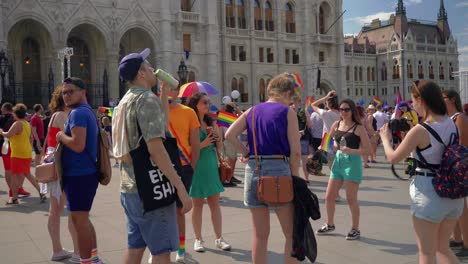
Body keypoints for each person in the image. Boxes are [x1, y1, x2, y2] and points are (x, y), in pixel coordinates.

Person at [115, 48, 192, 264]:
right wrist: (180, 188)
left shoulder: (124, 102)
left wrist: (164, 96)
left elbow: (159, 128)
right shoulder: (145, 100)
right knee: (161, 251)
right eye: (149, 67)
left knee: (135, 247)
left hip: (129, 187)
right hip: (151, 189)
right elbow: (156, 148)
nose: (153, 70)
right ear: (141, 73)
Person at [380, 80, 463, 264]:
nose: (411, 105)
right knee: (442, 248)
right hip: (453, 195)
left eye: (413, 101)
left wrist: (385, 139)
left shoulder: (420, 130)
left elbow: (393, 157)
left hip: (429, 194)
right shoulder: (452, 123)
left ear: (422, 100)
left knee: (426, 253)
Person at [226, 72, 301, 264]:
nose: (291, 102)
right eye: (291, 97)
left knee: (260, 234)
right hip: (279, 172)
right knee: (291, 234)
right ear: (285, 93)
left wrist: (246, 152)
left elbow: (229, 135)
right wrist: (295, 179)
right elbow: (296, 152)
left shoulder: (251, 111)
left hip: (254, 169)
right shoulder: (287, 112)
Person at [55, 77, 102, 264]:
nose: (66, 96)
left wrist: (60, 136)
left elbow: (77, 144)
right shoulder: (86, 111)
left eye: (70, 91)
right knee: (83, 219)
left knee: (79, 222)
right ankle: (94, 258)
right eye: (64, 92)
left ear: (83, 92)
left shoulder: (78, 114)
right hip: (84, 174)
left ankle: (86, 261)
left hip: (79, 175)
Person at [157, 81, 200, 263]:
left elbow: (195, 142)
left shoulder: (188, 112)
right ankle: (159, 249)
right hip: (160, 166)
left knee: (180, 210)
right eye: (164, 88)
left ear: (177, 91)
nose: (168, 91)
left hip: (183, 166)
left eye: (172, 88)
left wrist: (193, 166)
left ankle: (181, 250)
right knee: (160, 210)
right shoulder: (156, 111)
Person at [316, 99, 371, 240]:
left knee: (351, 198)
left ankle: (355, 229)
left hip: (352, 163)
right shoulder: (337, 124)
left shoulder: (358, 128)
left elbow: (368, 150)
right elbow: (329, 139)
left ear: (352, 111)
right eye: (341, 109)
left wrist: (351, 150)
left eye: (346, 109)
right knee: (329, 196)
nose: (343, 112)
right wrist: (327, 146)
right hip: (338, 161)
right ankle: (330, 223)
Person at [186, 92, 231, 254]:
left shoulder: (211, 121)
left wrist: (218, 140)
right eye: (204, 102)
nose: (207, 105)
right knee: (197, 205)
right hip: (196, 166)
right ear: (196, 104)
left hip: (211, 165)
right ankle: (198, 239)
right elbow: (186, 148)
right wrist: (203, 143)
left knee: (214, 204)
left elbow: (219, 146)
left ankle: (219, 238)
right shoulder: (190, 121)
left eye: (208, 102)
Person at [44, 86, 80, 262]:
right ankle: (76, 252)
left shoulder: (55, 116)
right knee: (68, 209)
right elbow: (72, 138)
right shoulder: (62, 116)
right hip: (60, 166)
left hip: (53, 163)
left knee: (56, 209)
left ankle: (57, 249)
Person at [442, 89, 468, 257]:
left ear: (452, 100)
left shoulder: (460, 118)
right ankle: (457, 237)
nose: (441, 101)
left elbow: (462, 144)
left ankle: (467, 243)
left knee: (462, 207)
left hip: (458, 166)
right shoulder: (447, 118)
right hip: (451, 165)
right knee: (456, 205)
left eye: (443, 98)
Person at [0, 103, 43, 205]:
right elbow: (30, 139)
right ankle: (41, 192)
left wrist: (1, 132)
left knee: (14, 175)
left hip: (18, 153)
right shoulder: (26, 124)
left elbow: (9, 134)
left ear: (16, 114)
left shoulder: (17, 124)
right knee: (27, 174)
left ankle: (14, 198)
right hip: (26, 153)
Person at [311, 91, 340, 169]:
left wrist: (326, 97)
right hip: (340, 139)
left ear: (329, 103)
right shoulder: (341, 113)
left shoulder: (325, 113)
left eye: (327, 102)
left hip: (328, 139)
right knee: (340, 162)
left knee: (331, 164)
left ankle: (334, 179)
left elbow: (313, 105)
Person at [309, 104, 325, 176]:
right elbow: (324, 126)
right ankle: (318, 170)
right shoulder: (322, 115)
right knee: (319, 155)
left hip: (313, 136)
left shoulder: (312, 114)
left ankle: (312, 169)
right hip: (320, 137)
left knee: (315, 154)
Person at [31, 104, 45, 168]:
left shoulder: (39, 117)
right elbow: (34, 130)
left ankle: (38, 168)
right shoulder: (34, 118)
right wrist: (37, 141)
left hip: (41, 138)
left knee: (40, 155)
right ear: (39, 109)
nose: (42, 108)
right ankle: (37, 169)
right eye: (41, 107)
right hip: (38, 139)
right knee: (38, 154)